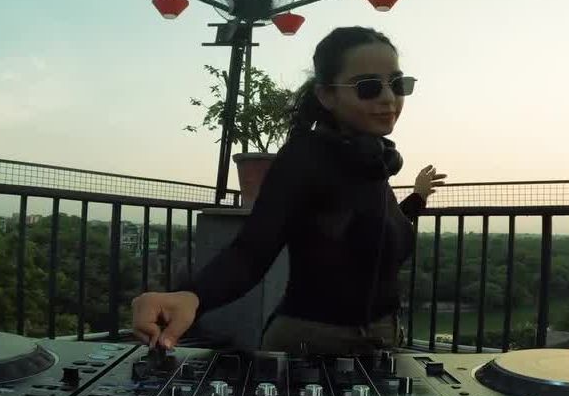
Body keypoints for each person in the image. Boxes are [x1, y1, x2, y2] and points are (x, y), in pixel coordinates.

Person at [132, 26, 446, 355]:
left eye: (397, 84)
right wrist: (191, 296)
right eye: (368, 87)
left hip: (379, 342)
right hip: (311, 345)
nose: (388, 97)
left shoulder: (371, 161)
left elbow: (376, 235)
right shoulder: (305, 159)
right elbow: (251, 251)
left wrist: (417, 198)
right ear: (326, 95)